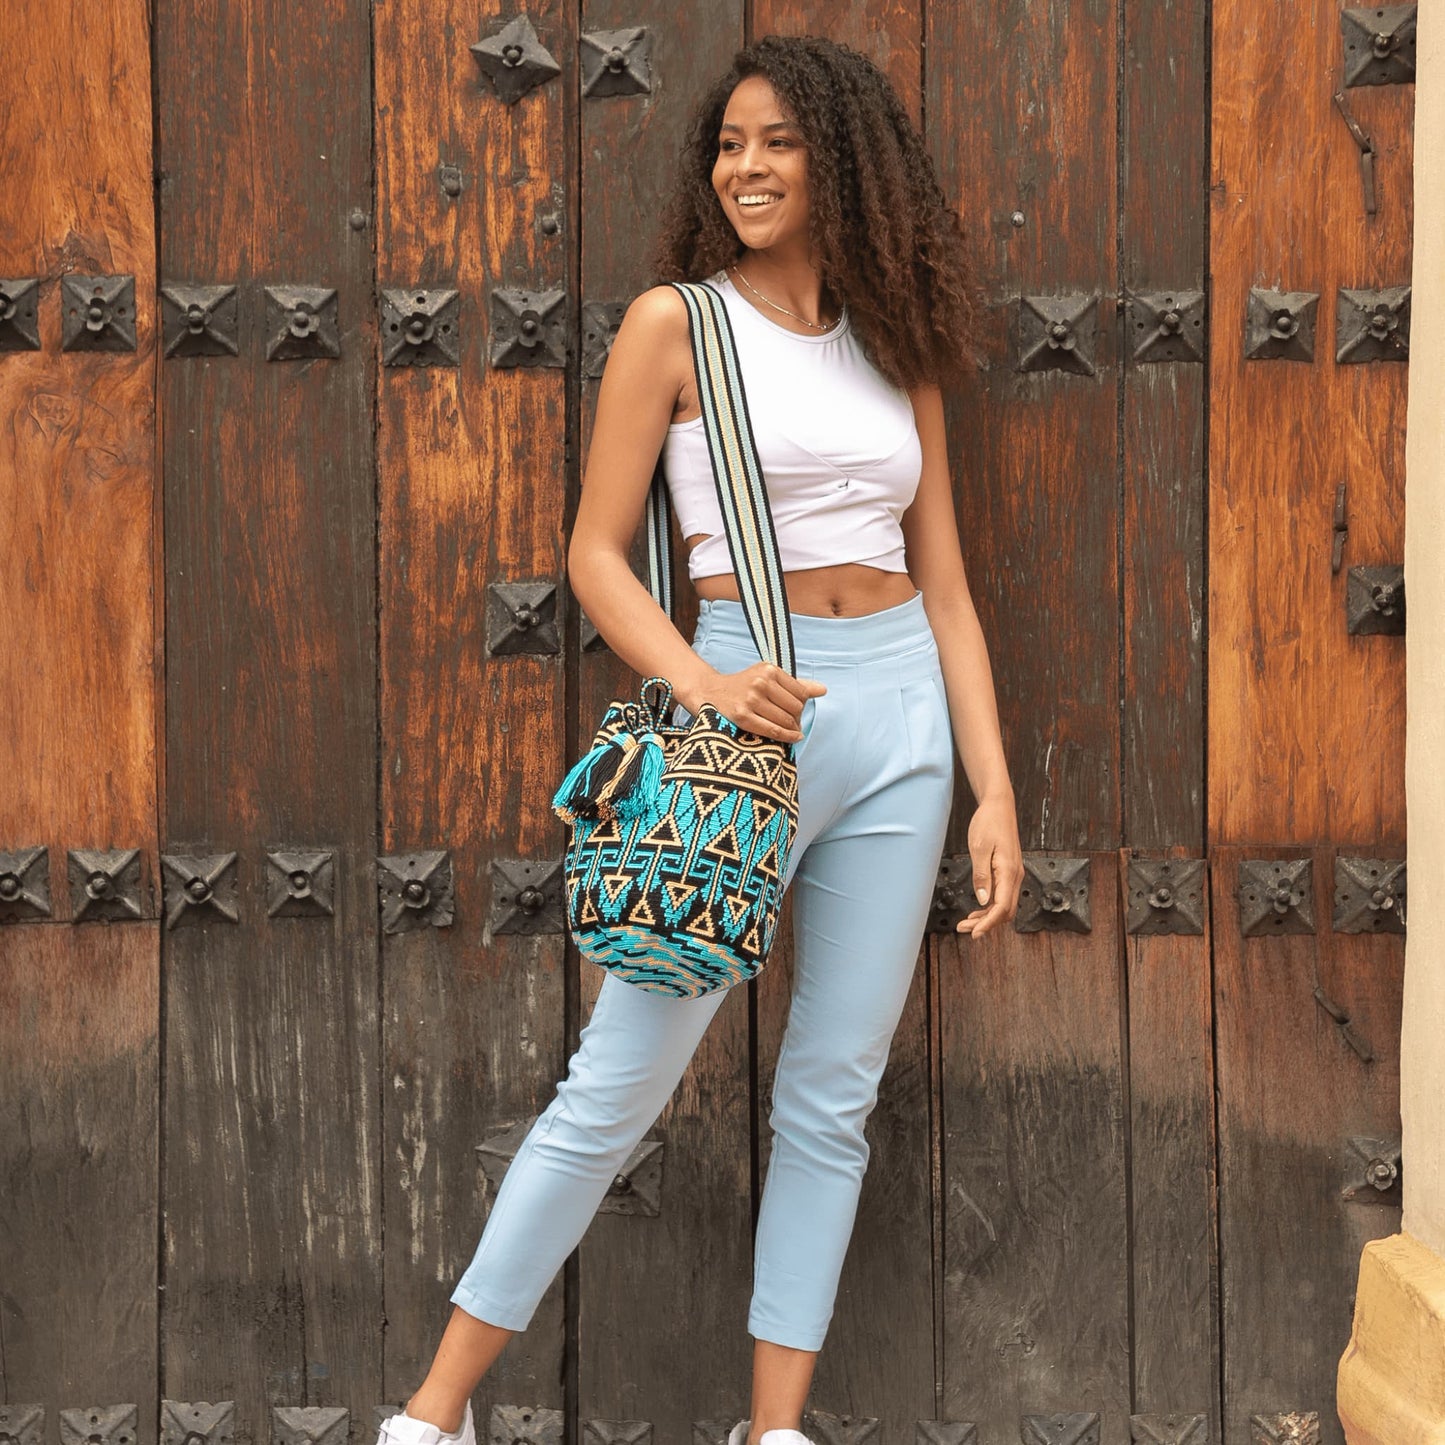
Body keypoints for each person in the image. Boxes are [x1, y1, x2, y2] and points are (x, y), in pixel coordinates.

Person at [376, 33, 1023, 1445]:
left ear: (840, 160)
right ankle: (429, 1419)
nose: (744, 167)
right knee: (613, 1084)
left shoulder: (895, 335)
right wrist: (703, 680)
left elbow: (954, 592)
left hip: (901, 712)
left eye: (777, 141)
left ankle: (770, 1429)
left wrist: (991, 790)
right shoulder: (680, 326)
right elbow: (599, 557)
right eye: (728, 144)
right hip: (737, 721)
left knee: (828, 1095)